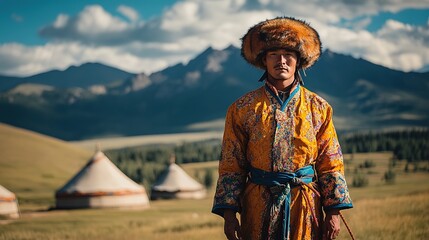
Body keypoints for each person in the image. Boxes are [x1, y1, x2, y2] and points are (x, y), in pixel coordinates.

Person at [212, 17, 353, 240]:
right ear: (264, 61)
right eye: (273, 55)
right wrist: (229, 215)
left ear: (299, 60)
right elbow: (231, 164)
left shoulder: (319, 108)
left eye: (288, 54)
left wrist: (333, 212)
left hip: (304, 204)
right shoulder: (241, 109)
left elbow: (331, 162)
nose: (282, 61)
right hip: (257, 205)